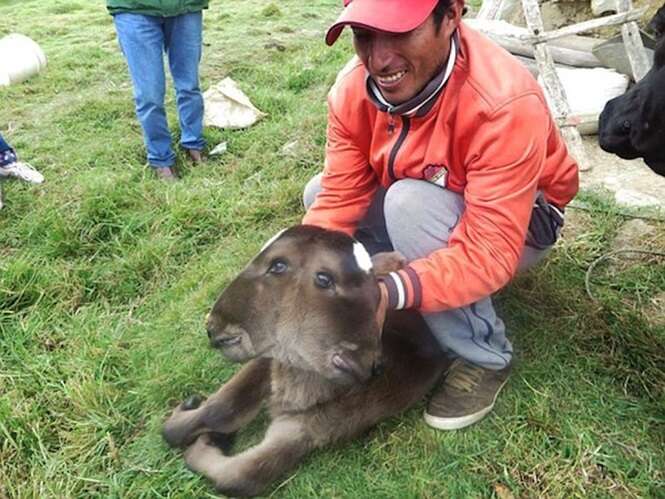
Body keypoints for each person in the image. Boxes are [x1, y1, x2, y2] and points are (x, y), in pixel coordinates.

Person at [302, 0, 579, 431]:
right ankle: (420, 297)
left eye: (399, 33)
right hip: (427, 197)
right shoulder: (352, 89)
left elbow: (489, 249)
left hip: (523, 220)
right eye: (365, 35)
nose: (379, 59)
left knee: (409, 205)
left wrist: (388, 292)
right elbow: (339, 196)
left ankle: (483, 355)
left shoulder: (504, 101)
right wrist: (301, 278)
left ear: (450, 15)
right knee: (317, 198)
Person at [106, 0, 208, 181]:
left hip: (186, 7)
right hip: (134, 9)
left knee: (189, 85)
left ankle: (193, 143)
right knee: (149, 95)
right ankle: (161, 158)